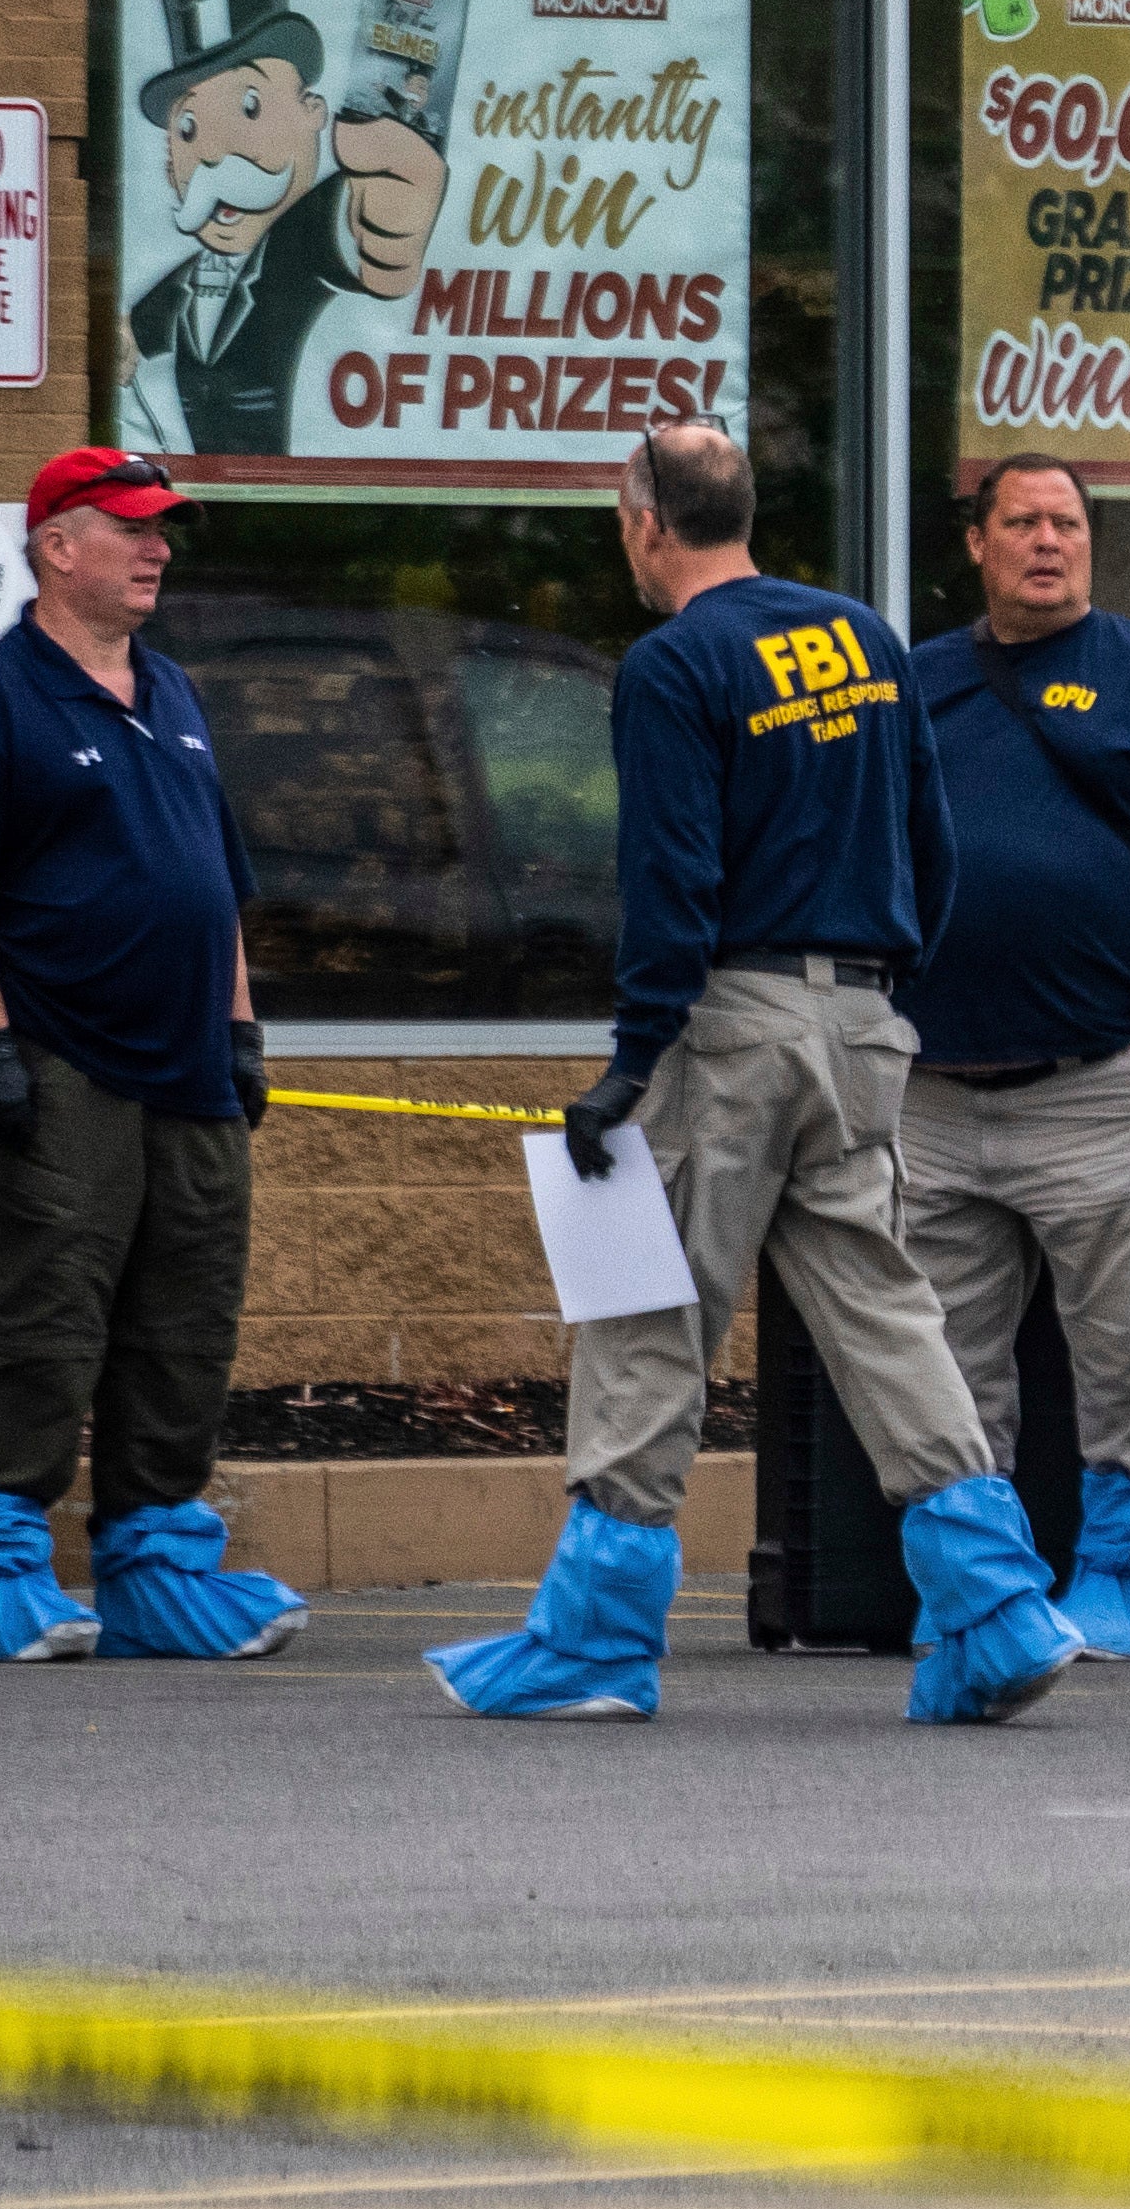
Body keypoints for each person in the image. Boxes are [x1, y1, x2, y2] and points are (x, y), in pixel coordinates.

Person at [428, 425, 1076, 1727]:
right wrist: (884, 995)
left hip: (727, 1024)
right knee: (884, 1310)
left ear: (640, 521)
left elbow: (671, 876)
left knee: (642, 1311)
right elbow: (928, 846)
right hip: (863, 1022)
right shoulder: (862, 637)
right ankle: (997, 1608)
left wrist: (629, 1059)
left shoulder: (673, 664)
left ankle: (596, 1638)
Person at [0, 446, 307, 1671]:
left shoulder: (172, 691)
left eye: (162, 528)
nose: (156, 547)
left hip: (189, 1069)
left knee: (184, 1325)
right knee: (33, 1318)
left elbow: (217, 889)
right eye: (129, 527)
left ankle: (156, 1568)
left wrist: (239, 1029)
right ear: (56, 547)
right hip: (60, 1063)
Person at [902, 453, 1130, 1659]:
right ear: (979, 544)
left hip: (1100, 1084)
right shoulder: (918, 683)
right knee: (940, 1363)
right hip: (929, 1093)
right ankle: (984, 1594)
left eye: (1069, 523)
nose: (1049, 541)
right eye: (1024, 523)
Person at [121, 0, 444, 456]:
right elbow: (129, 336)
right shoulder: (183, 283)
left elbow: (366, 218)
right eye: (189, 128)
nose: (215, 154)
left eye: (249, 107)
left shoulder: (309, 228)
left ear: (312, 112)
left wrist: (394, 213)